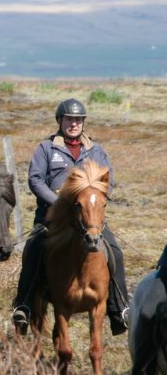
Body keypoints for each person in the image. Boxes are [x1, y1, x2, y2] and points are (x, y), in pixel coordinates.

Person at [12, 98, 130, 336]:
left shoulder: (95, 150)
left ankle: (120, 309)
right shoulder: (46, 149)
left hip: (88, 219)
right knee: (34, 249)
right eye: (69, 119)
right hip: (52, 218)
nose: (73, 124)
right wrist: (61, 203)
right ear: (60, 121)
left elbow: (109, 181)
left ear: (83, 123)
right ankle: (23, 304)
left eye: (78, 120)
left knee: (114, 251)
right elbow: (35, 180)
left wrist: (93, 202)